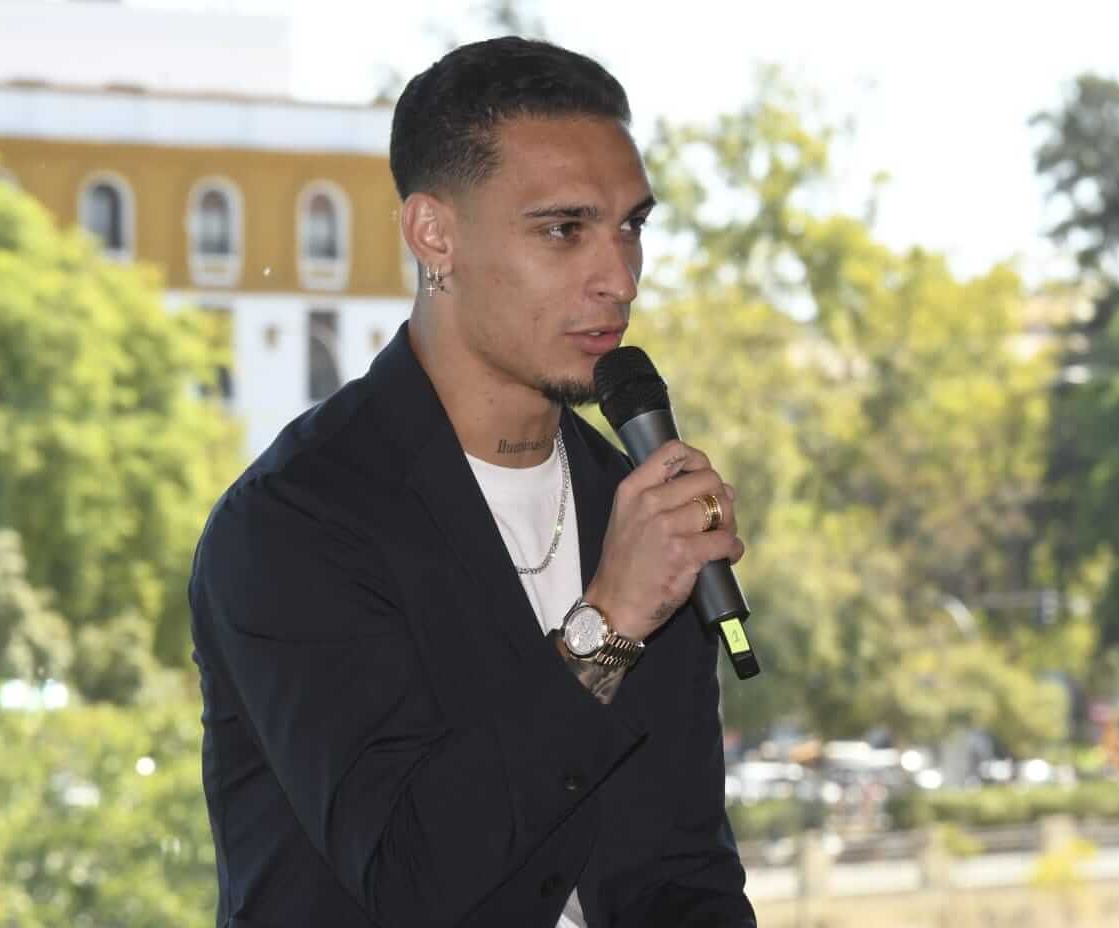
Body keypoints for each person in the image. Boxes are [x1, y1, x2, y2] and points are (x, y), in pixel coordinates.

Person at [188, 36, 756, 928]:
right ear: (434, 234)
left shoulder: (633, 503)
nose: (619, 277)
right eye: (565, 228)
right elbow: (412, 877)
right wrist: (605, 626)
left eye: (631, 226)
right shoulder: (295, 522)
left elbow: (685, 873)